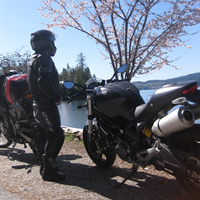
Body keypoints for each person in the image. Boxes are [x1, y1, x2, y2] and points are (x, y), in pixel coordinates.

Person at [27, 29, 66, 182]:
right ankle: (48, 171)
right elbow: (43, 81)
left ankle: (45, 166)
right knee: (56, 135)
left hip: (38, 104)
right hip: (45, 105)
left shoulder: (33, 58)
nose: (53, 44)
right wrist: (56, 96)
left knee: (44, 134)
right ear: (45, 42)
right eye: (51, 41)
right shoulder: (44, 58)